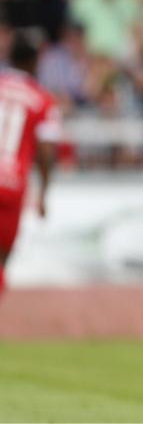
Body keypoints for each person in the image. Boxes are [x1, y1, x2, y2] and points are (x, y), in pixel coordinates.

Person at [0, 31, 60, 300]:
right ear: (34, 62)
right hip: (12, 185)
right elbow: (47, 152)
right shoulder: (43, 100)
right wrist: (44, 194)